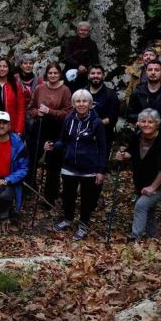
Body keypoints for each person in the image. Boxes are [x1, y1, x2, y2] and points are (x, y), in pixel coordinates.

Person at [45, 89, 107, 240]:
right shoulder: (68, 119)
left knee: (86, 198)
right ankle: (68, 219)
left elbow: (103, 147)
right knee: (68, 195)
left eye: (84, 101)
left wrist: (101, 170)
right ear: (73, 103)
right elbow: (63, 140)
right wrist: (54, 145)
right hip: (70, 165)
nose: (81, 104)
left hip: (89, 167)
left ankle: (83, 224)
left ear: (90, 103)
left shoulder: (96, 123)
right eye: (78, 101)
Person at [115, 109, 161, 240]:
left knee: (141, 205)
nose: (146, 124)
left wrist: (152, 187)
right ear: (138, 123)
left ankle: (135, 237)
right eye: (143, 121)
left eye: (150, 122)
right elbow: (132, 154)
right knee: (148, 211)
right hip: (141, 182)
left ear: (157, 123)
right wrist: (122, 156)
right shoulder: (137, 136)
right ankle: (152, 237)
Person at [28, 62, 73, 205]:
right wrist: (37, 112)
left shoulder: (65, 90)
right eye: (50, 73)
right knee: (33, 158)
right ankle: (29, 189)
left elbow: (68, 112)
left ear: (59, 74)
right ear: (46, 74)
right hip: (40, 126)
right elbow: (31, 107)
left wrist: (50, 112)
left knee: (53, 164)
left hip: (57, 129)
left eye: (55, 73)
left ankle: (50, 197)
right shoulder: (40, 88)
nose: (52, 75)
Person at [126, 60, 161, 135]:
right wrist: (143, 121)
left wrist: (154, 123)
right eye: (150, 70)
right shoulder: (137, 92)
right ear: (146, 72)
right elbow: (129, 115)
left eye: (156, 70)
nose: (153, 72)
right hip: (141, 135)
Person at [88, 64, 119, 151]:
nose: (95, 76)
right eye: (93, 73)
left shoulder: (110, 94)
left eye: (98, 73)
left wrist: (95, 125)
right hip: (83, 136)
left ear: (103, 76)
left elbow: (113, 118)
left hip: (103, 136)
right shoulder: (83, 93)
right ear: (88, 76)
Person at [61, 21, 100, 91]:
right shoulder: (71, 42)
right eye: (81, 30)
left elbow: (95, 60)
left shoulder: (92, 44)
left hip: (86, 73)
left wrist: (86, 68)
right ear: (77, 31)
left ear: (88, 32)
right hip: (70, 70)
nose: (83, 32)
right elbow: (67, 57)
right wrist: (78, 66)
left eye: (85, 30)